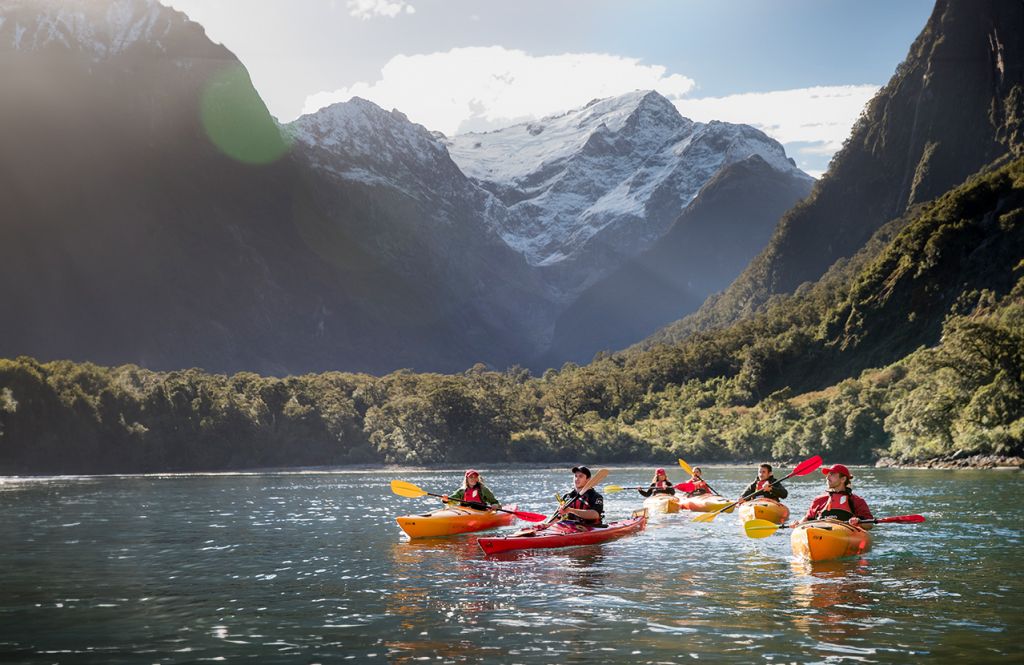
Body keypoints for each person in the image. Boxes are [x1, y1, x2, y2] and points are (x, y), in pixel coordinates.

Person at [791, 464, 873, 528]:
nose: (827, 477)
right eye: (827, 475)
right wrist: (798, 524)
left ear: (843, 479)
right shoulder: (819, 500)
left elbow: (869, 524)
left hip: (846, 532)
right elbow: (807, 519)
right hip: (820, 532)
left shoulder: (856, 500)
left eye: (832, 474)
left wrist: (858, 521)